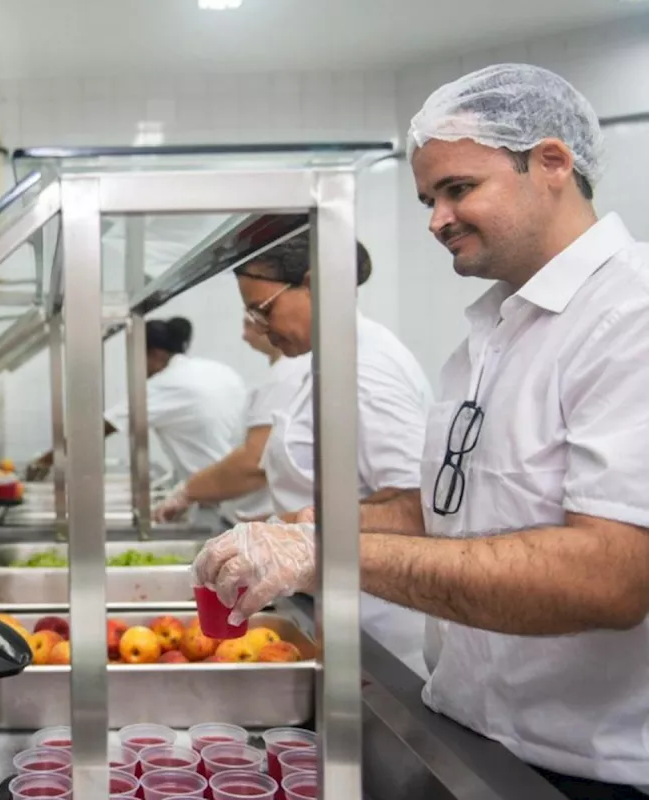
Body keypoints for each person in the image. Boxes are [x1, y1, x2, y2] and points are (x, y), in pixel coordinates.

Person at [194, 65, 649, 799]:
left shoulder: (631, 316)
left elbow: (611, 577)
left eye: (459, 188)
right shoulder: (490, 334)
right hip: (472, 724)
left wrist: (328, 552)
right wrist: (315, 526)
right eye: (429, 197)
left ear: (554, 163)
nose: (436, 219)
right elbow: (450, 508)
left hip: (587, 767)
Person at [207, 235, 434, 675]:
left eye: (264, 309)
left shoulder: (368, 371)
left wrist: (301, 535)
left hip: (380, 627)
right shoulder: (330, 359)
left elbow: (416, 503)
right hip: (341, 604)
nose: (260, 326)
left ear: (314, 284)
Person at [28, 317, 248, 490]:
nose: (136, 370)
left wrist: (44, 461)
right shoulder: (216, 370)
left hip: (216, 492)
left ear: (155, 354)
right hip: (244, 485)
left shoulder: (167, 383)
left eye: (136, 360)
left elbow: (99, 428)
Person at [153, 317, 309, 525]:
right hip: (262, 517)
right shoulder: (281, 374)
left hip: (269, 521)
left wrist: (188, 492)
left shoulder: (286, 375)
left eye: (249, 322)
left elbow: (255, 463)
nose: (244, 335)